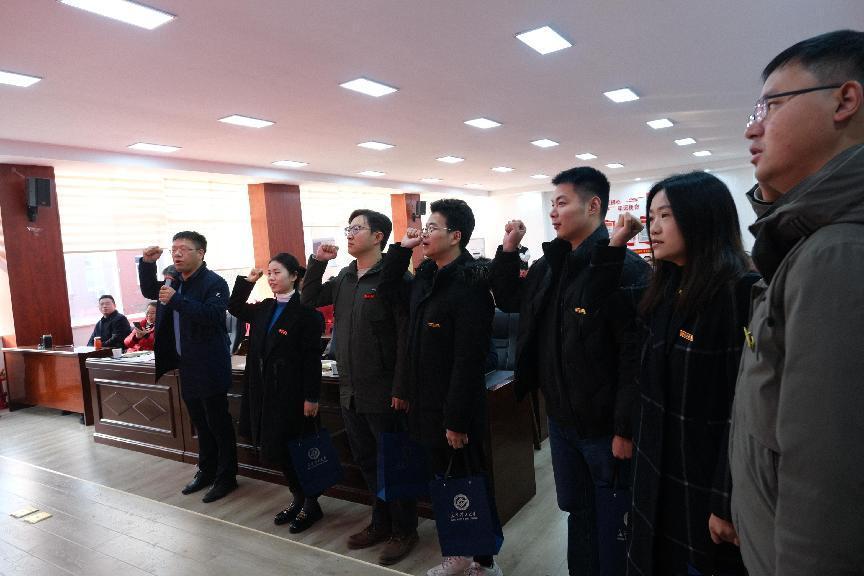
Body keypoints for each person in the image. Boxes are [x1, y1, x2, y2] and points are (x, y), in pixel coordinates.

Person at [730, 29, 864, 575]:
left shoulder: (838, 252)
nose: (752, 127)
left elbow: (827, 486)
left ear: (844, 100)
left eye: (772, 106)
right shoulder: (807, 243)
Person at [490, 166, 649, 576]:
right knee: (578, 512)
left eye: (562, 203)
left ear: (593, 206)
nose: (553, 212)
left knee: (614, 518)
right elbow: (510, 299)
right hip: (561, 420)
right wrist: (508, 250)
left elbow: (635, 358)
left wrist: (625, 428)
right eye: (552, 204)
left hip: (605, 427)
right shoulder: (551, 264)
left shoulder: (627, 269)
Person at [621, 172, 756, 576]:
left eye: (666, 215)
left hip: (703, 482)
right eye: (651, 216)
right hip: (656, 473)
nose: (654, 227)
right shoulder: (665, 289)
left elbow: (745, 409)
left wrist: (726, 498)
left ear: (702, 217)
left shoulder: (738, 292)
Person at [378, 199, 501, 576]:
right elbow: (388, 290)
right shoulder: (427, 278)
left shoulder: (470, 284)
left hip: (455, 408)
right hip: (425, 404)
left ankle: (484, 562)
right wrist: (402, 250)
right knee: (443, 483)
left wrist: (456, 420)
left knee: (469, 483)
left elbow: (468, 360)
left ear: (456, 235)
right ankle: (459, 553)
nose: (425, 234)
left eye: (432, 228)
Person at [300, 209, 418, 565]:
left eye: (357, 228)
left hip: (384, 390)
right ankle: (380, 522)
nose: (349, 234)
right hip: (350, 388)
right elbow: (308, 299)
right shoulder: (345, 277)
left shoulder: (395, 277)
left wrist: (402, 387)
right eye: (347, 228)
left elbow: (405, 337)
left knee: (393, 462)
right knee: (367, 460)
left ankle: (405, 530)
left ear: (379, 236)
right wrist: (318, 263)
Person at [229, 253, 325, 533]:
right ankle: (298, 498)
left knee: (297, 450)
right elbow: (234, 306)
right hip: (264, 393)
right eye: (269, 273)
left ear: (294, 276)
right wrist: (247, 282)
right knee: (279, 449)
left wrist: (312, 397)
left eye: (277, 272)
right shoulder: (266, 307)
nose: (271, 278)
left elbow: (311, 360)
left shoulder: (307, 314)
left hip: (292, 395)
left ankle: (312, 503)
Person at [139, 231, 237, 503]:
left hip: (210, 364)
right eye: (174, 250)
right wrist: (147, 264)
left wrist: (177, 300)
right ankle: (206, 470)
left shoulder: (214, 282)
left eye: (183, 249)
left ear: (200, 253)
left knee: (218, 424)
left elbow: (213, 315)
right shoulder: (173, 280)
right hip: (186, 365)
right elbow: (149, 291)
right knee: (200, 423)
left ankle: (227, 477)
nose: (177, 254)